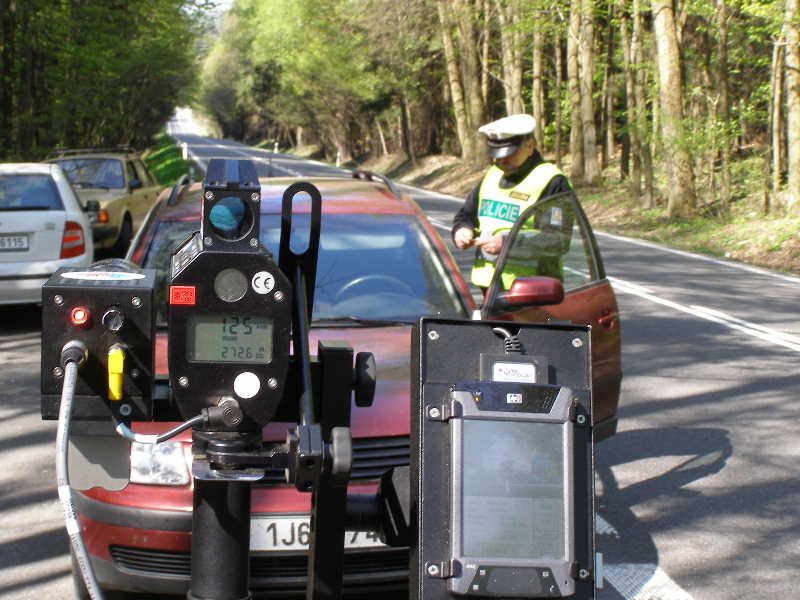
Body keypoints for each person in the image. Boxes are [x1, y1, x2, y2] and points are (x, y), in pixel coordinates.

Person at [452, 114, 573, 290]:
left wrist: (507, 244)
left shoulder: (551, 181)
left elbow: (558, 240)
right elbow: (466, 215)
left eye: (509, 154)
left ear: (530, 146)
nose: (501, 161)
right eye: (496, 155)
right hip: (490, 291)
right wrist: (462, 230)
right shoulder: (493, 175)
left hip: (535, 292)